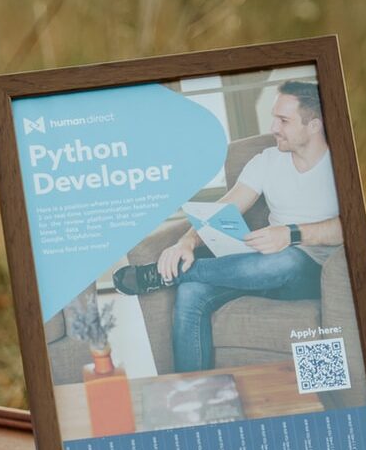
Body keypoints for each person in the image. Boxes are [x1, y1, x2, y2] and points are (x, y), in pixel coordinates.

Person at [113, 80, 343, 373]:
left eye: (283, 120)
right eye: (274, 117)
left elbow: (350, 227)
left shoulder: (339, 163)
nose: (273, 127)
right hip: (257, 268)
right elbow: (226, 206)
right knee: (192, 292)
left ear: (314, 125)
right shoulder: (267, 160)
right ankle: (192, 395)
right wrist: (188, 241)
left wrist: (291, 234)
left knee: (286, 258)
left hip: (313, 270)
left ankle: (163, 273)